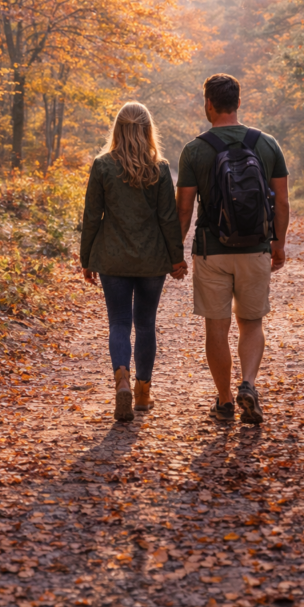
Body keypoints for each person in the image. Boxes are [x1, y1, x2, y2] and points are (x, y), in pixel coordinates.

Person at [176, 73, 289, 424]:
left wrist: (175, 252)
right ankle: (249, 385)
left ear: (208, 104)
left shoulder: (195, 149)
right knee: (252, 322)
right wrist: (278, 243)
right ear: (238, 103)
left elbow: (185, 208)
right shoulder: (267, 144)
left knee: (217, 327)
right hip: (255, 247)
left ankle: (224, 401)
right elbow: (282, 201)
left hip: (212, 251)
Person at [81, 102, 188, 421]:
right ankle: (142, 395)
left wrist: (86, 258)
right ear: (147, 129)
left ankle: (122, 382)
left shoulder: (102, 165)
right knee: (144, 325)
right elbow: (169, 218)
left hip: (112, 259)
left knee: (118, 323)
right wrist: (176, 259)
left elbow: (91, 216)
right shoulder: (159, 167)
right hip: (152, 260)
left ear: (117, 128)